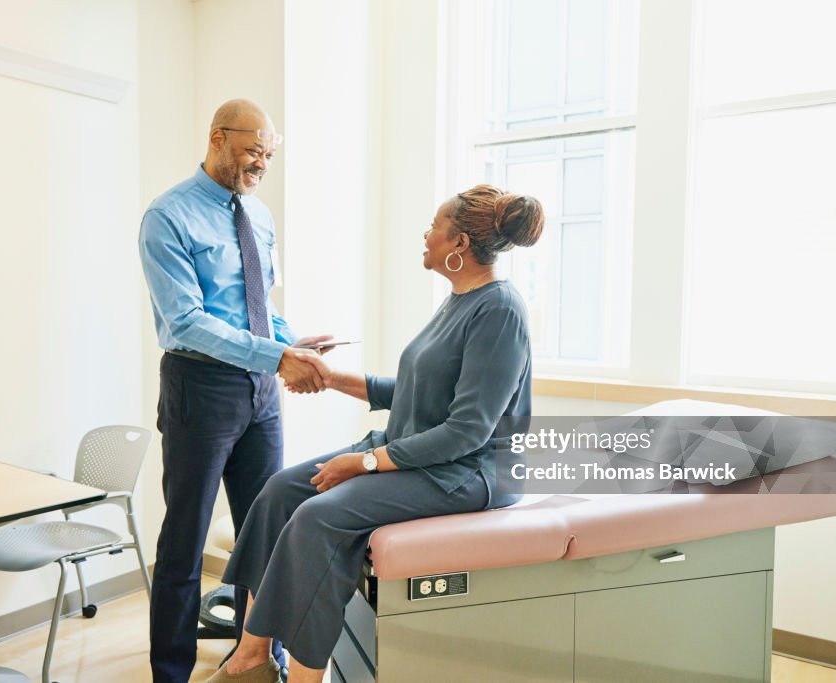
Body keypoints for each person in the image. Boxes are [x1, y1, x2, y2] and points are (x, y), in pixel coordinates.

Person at [205, 184, 545, 683]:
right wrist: (325, 374)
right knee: (279, 492)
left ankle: (304, 678)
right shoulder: (459, 300)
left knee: (319, 518)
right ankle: (254, 655)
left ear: (459, 245)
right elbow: (410, 389)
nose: (425, 235)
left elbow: (468, 432)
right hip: (421, 451)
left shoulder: (500, 311)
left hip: (471, 472)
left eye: (434, 226)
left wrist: (364, 463)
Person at [139, 98, 330, 683]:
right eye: (252, 150)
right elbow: (187, 321)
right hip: (199, 388)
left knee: (266, 531)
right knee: (185, 539)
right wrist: (277, 355)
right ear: (218, 138)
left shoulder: (260, 216)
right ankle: (170, 672)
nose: (261, 163)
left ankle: (257, 658)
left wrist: (293, 343)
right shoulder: (167, 216)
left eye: (269, 154)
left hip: (261, 390)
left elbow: (256, 306)